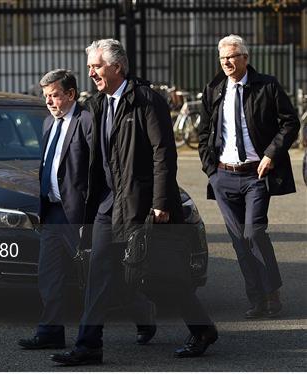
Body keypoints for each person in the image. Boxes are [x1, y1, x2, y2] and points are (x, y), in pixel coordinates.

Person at [50, 39, 217, 366]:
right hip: (108, 204)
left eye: (96, 66)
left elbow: (163, 153)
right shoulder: (98, 103)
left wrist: (160, 202)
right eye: (89, 67)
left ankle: (202, 330)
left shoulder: (145, 100)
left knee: (158, 275)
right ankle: (89, 345)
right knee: (97, 274)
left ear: (117, 67)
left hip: (142, 204)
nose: (91, 72)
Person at [198, 35, 299, 319]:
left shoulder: (267, 85)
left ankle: (272, 291)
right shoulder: (214, 89)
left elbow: (290, 122)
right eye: (222, 58)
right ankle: (256, 298)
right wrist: (211, 169)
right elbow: (204, 132)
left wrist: (270, 155)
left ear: (245, 57)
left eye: (231, 57)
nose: (226, 62)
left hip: (256, 174)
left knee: (253, 232)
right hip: (223, 176)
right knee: (238, 240)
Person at [17, 69, 92, 349]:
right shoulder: (49, 122)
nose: (49, 101)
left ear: (71, 94)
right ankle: (50, 333)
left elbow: (96, 169)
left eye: (55, 95)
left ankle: (142, 312)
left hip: (78, 214)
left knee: (93, 274)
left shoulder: (86, 121)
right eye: (46, 96)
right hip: (52, 210)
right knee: (49, 275)